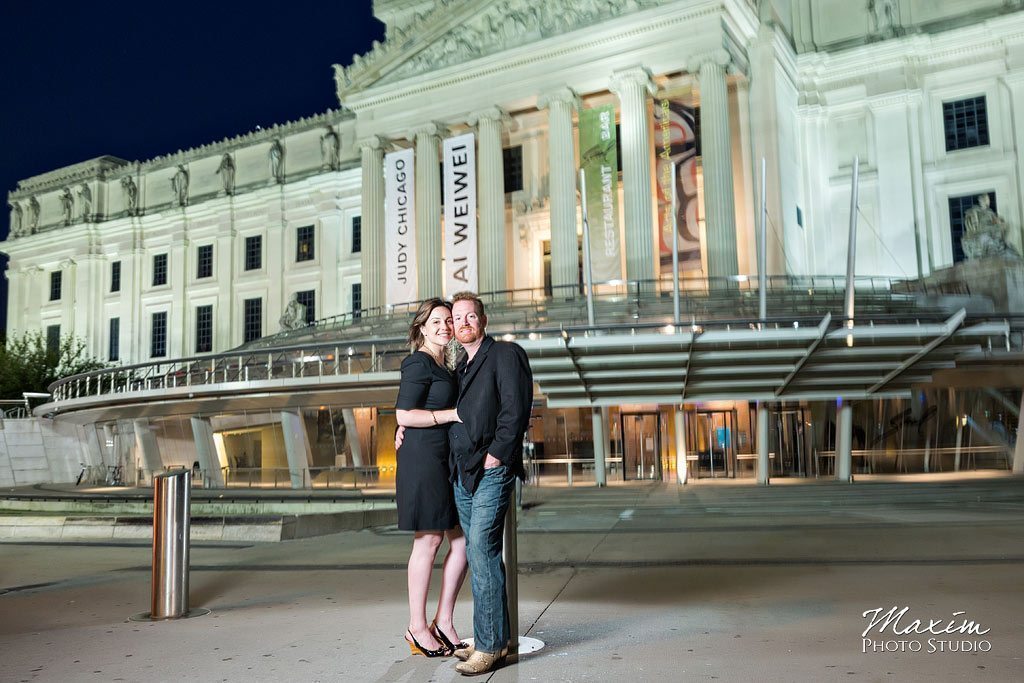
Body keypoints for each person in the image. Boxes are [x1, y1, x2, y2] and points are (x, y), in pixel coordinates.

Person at [445, 291, 533, 675]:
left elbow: (516, 407)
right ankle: (491, 639)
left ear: (483, 320)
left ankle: (492, 645)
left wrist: (498, 452)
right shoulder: (461, 365)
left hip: (491, 468)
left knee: (481, 549)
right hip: (464, 472)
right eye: (457, 318)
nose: (463, 323)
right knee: (480, 555)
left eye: (470, 316)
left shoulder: (504, 354)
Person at [394, 298, 469, 659]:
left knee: (463, 542)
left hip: (443, 459)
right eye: (435, 321)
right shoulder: (417, 362)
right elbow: (404, 413)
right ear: (421, 328)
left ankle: (444, 620)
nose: (444, 326)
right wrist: (449, 414)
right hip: (422, 459)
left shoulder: (446, 363)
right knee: (428, 542)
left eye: (447, 321)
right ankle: (416, 626)